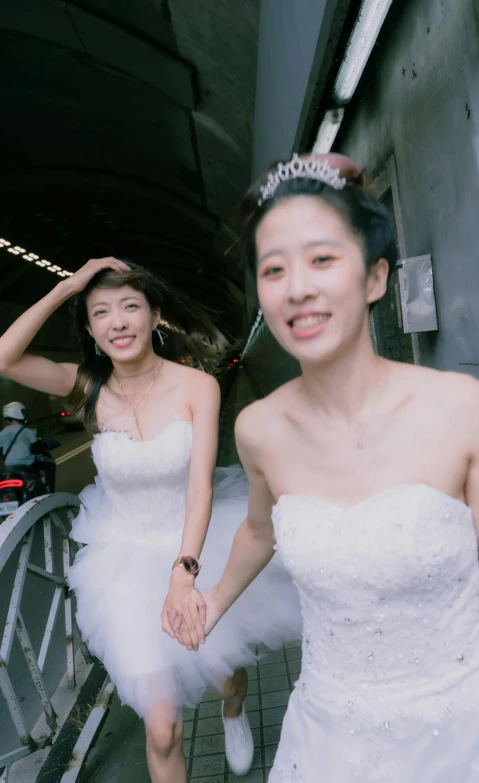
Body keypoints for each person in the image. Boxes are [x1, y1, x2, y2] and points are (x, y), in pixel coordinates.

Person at [171, 153, 479, 782]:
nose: (298, 286)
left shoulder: (462, 408)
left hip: (470, 731)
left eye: (323, 259)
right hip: (333, 733)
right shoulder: (259, 430)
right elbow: (260, 528)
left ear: (376, 278)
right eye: (274, 269)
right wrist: (211, 601)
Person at [0, 258, 301, 783]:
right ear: (90, 330)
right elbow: (6, 358)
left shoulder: (196, 386)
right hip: (119, 563)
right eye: (101, 312)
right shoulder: (87, 390)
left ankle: (233, 711)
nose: (117, 321)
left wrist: (184, 571)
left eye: (130, 307)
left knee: (227, 677)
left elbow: (199, 485)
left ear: (155, 316)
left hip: (193, 545)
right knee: (162, 730)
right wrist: (68, 285)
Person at [0, 401, 38, 467]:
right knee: (49, 465)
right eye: (23, 412)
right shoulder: (28, 431)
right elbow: (36, 449)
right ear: (17, 412)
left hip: (8, 466)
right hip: (27, 463)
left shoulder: (1, 433)